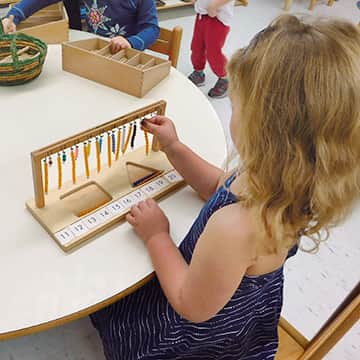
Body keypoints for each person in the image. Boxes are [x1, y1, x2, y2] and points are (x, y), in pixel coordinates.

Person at [94, 14, 360, 359]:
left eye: (237, 106)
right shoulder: (285, 178)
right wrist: (175, 148)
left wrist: (157, 235)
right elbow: (218, 187)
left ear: (265, 131)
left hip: (190, 328)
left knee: (112, 301)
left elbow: (191, 304)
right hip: (232, 303)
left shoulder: (236, 228)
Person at [1, 0, 159, 52]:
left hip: (123, 55)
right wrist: (13, 17)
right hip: (92, 50)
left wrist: (131, 42)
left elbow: (151, 29)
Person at [187, 0, 235, 98]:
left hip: (218, 18)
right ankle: (198, 72)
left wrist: (214, 5)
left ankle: (225, 78)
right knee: (197, 46)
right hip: (202, 14)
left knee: (213, 53)